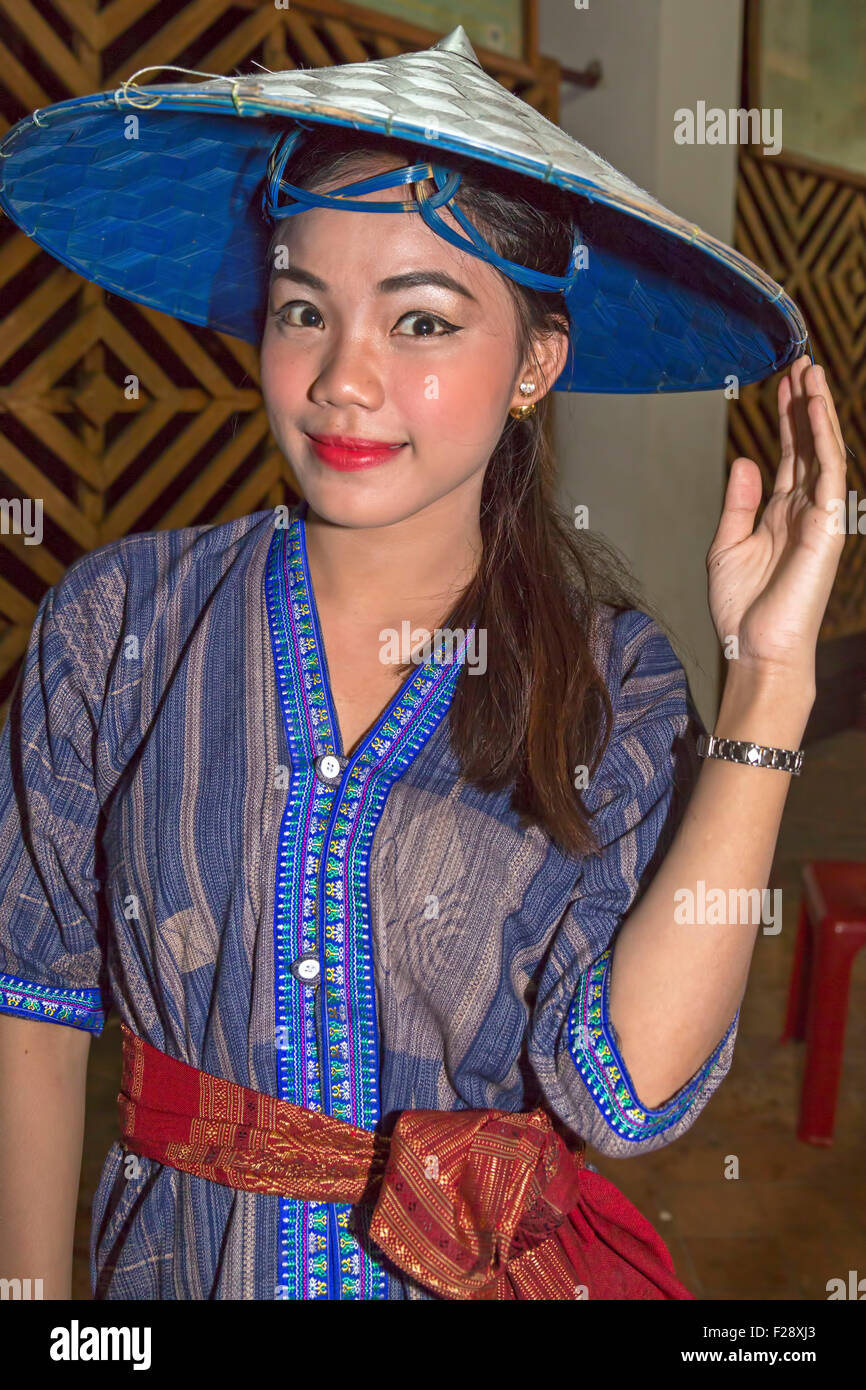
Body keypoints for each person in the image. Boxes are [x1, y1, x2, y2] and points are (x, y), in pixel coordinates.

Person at [0, 28, 846, 1301]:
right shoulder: (117, 626)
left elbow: (620, 1094)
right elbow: (33, 998)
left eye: (422, 321)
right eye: (304, 311)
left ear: (534, 364)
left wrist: (769, 680)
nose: (344, 378)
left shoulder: (615, 683)